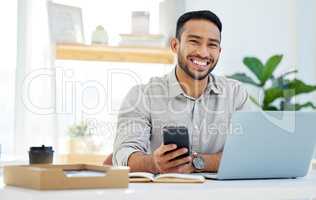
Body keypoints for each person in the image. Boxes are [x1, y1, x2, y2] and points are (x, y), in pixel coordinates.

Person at [112, 10, 251, 173]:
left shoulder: (235, 94)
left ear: (219, 51)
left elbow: (248, 153)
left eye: (212, 44)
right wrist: (154, 163)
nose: (203, 52)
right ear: (175, 45)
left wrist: (196, 162)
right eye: (194, 42)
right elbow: (123, 155)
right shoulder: (142, 96)